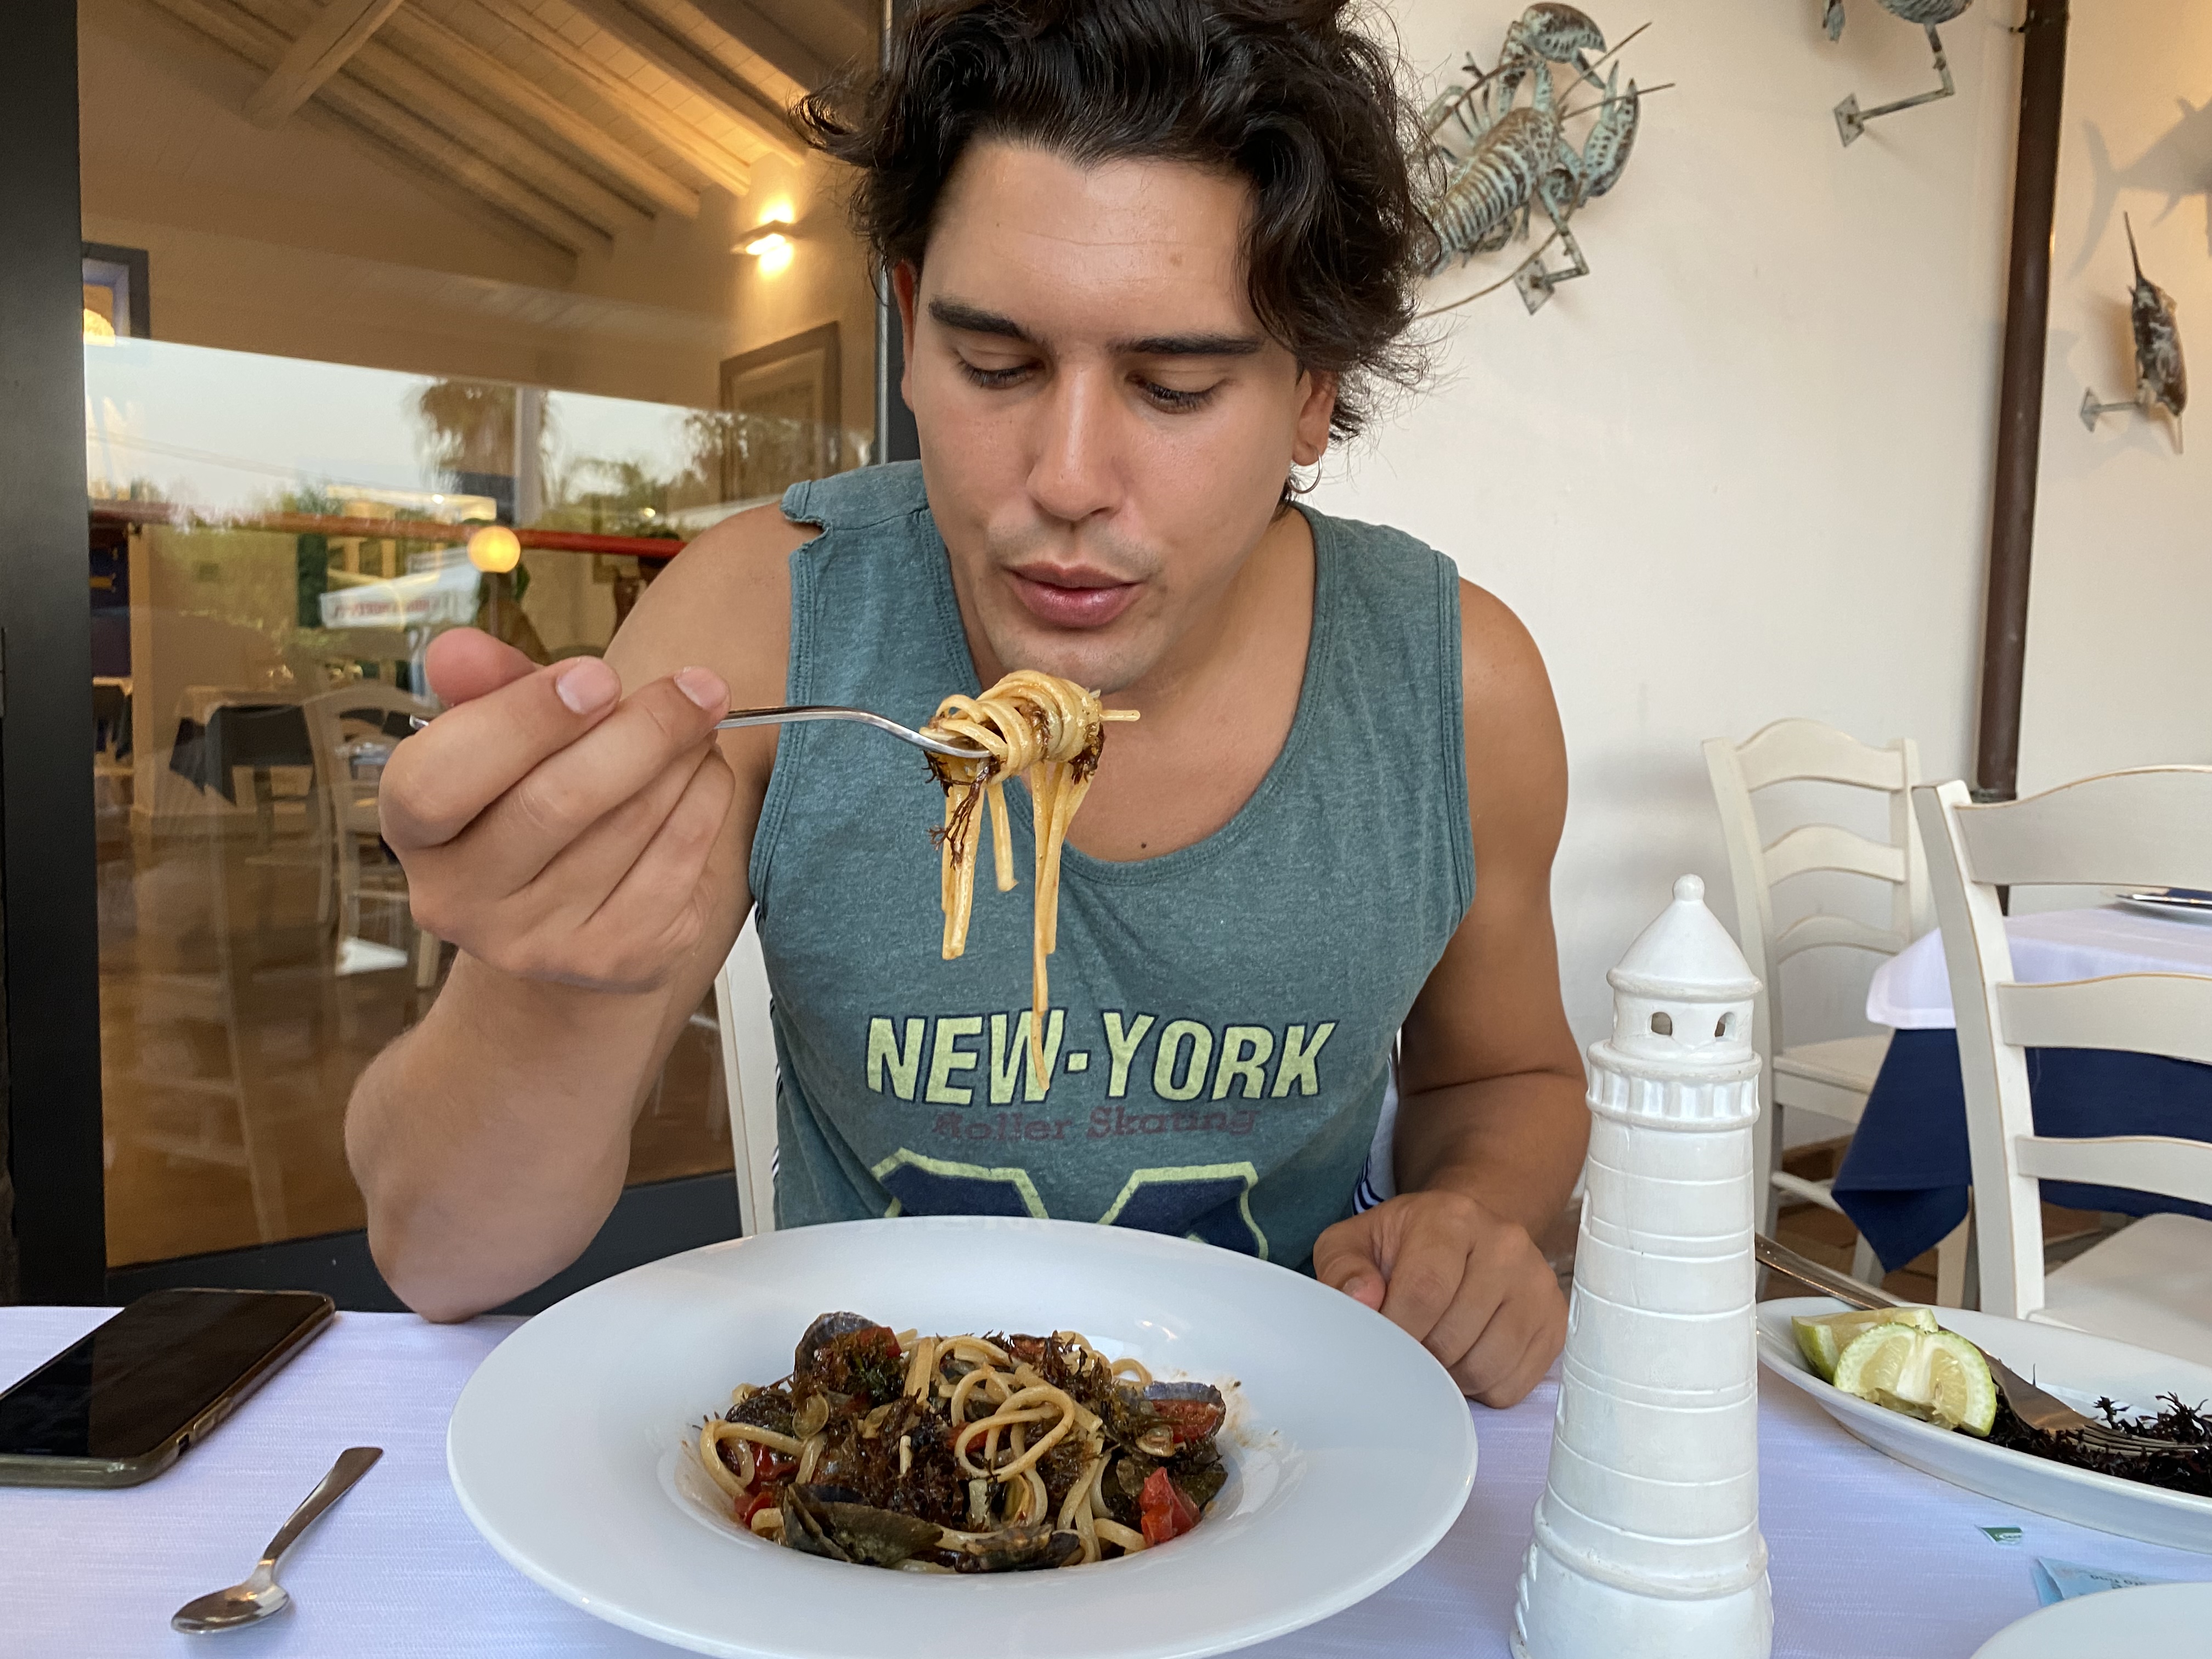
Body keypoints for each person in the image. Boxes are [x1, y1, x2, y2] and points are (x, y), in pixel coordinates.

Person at [346, 0, 1589, 1408]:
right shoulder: (762, 633)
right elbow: (442, 1256)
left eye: (1172, 387)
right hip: (868, 1484)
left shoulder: (1455, 689)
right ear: (907, 317)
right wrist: (544, 975)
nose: (1064, 477)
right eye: (996, 366)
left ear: (1313, 394)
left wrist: (1478, 1216)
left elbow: (1509, 1083)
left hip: (1288, 1470)